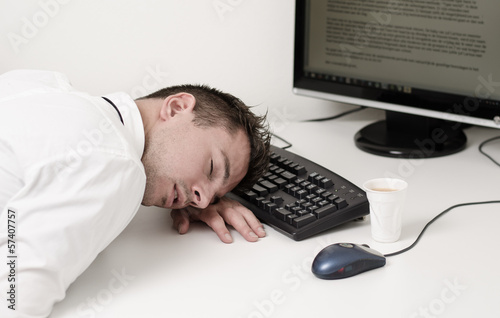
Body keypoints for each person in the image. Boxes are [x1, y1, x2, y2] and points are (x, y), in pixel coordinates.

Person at [0, 69, 271, 317]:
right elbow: (13, 301)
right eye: (212, 167)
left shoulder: (44, 86)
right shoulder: (115, 162)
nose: (200, 200)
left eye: (213, 197)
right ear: (177, 107)